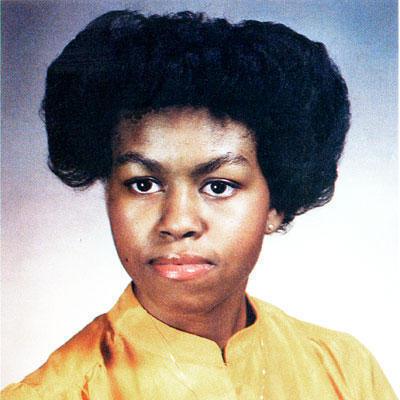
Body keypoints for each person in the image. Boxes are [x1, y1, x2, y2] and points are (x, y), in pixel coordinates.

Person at [2, 10, 396, 400]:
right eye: (143, 184)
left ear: (276, 205)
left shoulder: (345, 371)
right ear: (108, 193)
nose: (178, 222)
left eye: (218, 186)